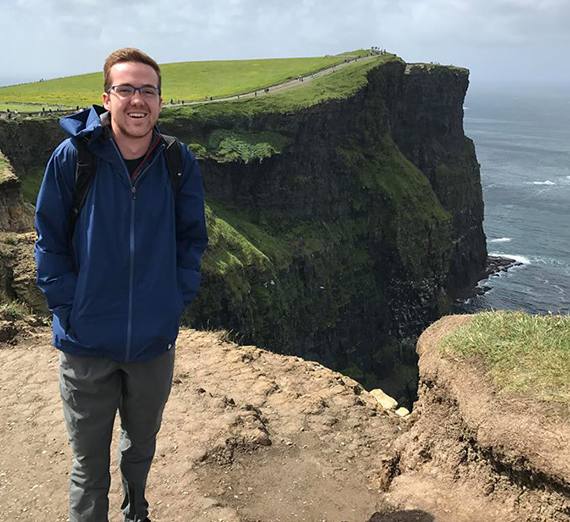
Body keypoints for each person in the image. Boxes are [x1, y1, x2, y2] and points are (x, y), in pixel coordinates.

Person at [34, 47, 208, 522]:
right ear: (106, 97)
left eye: (147, 90)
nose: (138, 100)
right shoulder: (74, 158)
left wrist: (172, 301)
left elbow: (192, 238)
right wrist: (71, 310)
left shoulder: (176, 159)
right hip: (86, 342)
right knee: (89, 466)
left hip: (153, 341)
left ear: (160, 101)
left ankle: (137, 514)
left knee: (140, 449)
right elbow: (48, 241)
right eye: (126, 89)